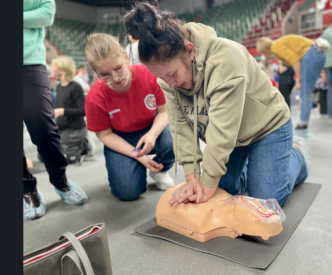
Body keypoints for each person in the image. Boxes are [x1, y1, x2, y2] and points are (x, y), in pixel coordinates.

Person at [124, 0, 309, 207]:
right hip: (233, 139)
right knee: (227, 191)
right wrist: (192, 178)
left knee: (265, 201)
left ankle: (296, 157)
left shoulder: (226, 60)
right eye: (162, 78)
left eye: (173, 74)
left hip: (267, 129)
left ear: (191, 51)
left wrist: (207, 187)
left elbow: (222, 132)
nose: (170, 84)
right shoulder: (167, 79)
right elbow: (181, 129)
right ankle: (257, 166)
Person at [84, 33, 175, 201]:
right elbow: (104, 134)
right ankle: (135, 169)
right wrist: (137, 155)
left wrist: (153, 134)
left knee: (174, 136)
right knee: (127, 193)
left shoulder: (148, 75)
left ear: (125, 57)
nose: (116, 78)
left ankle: (161, 171)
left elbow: (164, 112)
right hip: (121, 137)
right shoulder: (95, 99)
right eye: (105, 74)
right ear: (95, 73)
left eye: (118, 68)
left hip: (150, 127)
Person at [23, 0, 87, 220]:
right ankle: (26, 190)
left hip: (30, 62)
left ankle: (61, 181)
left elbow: (47, 13)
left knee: (44, 129)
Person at [256, 35, 326, 138]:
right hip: (318, 54)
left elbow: (296, 62)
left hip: (311, 54)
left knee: (304, 92)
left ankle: (303, 125)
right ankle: (304, 123)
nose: (265, 56)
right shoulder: (279, 45)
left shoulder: (275, 47)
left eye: (263, 53)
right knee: (306, 91)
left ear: (265, 49)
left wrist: (299, 80)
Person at [49, 56, 92, 164]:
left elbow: (83, 111)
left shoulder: (75, 87)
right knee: (44, 154)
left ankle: (82, 146)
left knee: (59, 159)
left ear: (62, 70)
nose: (50, 67)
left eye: (53, 65)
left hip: (74, 130)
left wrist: (62, 111)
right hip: (62, 129)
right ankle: (77, 147)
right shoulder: (59, 87)